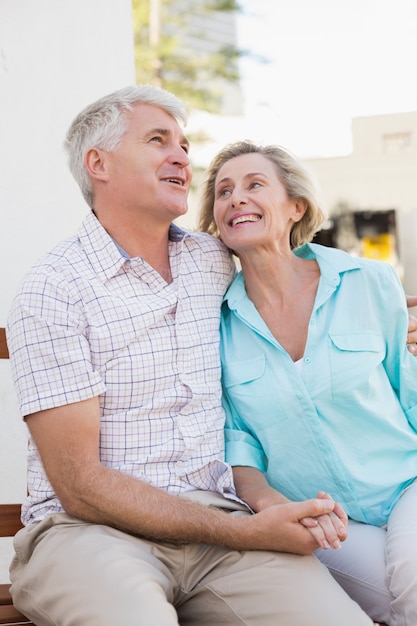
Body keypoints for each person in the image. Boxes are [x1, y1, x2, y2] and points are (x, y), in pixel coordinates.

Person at [5, 85, 376, 626]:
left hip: (222, 533)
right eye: (158, 141)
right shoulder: (53, 289)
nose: (181, 156)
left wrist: (392, 318)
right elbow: (80, 485)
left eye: (183, 144)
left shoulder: (214, 259)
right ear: (98, 163)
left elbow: (294, 269)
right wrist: (247, 529)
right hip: (89, 535)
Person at [198, 139, 417, 626]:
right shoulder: (218, 325)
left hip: (407, 484)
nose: (236, 198)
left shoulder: (369, 281)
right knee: (391, 597)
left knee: (414, 580)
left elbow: (409, 390)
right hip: (318, 515)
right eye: (224, 191)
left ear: (296, 205)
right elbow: (239, 445)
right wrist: (271, 506)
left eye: (255, 184)